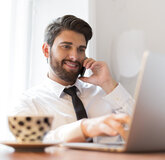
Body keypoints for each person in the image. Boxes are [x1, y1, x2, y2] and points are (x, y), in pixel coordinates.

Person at [11, 15, 133, 143]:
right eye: (66, 46)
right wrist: (85, 128)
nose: (75, 56)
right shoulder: (29, 102)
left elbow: (142, 131)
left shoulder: (104, 93)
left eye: (81, 49)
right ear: (46, 50)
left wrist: (108, 84)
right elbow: (29, 142)